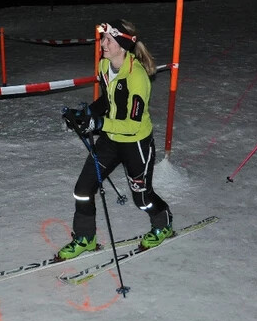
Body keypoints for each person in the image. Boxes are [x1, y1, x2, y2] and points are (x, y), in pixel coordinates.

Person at [59, 19, 172, 259]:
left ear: (122, 45)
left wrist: (98, 124)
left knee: (142, 198)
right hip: (111, 140)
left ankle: (163, 223)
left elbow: (132, 124)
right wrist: (84, 115)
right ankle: (85, 238)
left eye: (108, 40)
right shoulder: (104, 66)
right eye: (103, 39)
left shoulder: (137, 76)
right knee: (83, 189)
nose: (102, 44)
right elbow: (108, 101)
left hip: (135, 142)